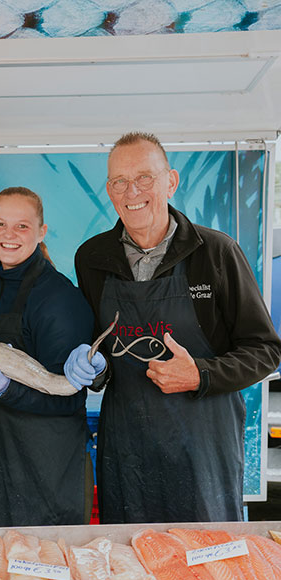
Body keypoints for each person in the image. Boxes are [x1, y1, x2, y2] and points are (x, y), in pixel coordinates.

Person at [65, 131, 281, 524]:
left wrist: (201, 373)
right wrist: (94, 369)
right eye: (119, 181)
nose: (132, 190)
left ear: (171, 181)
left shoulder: (216, 252)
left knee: (206, 565)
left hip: (204, 446)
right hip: (127, 445)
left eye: (145, 177)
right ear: (110, 191)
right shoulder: (91, 258)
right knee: (134, 560)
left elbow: (265, 350)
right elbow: (98, 344)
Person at [0, 186, 99, 527]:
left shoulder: (58, 299)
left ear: (42, 231)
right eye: (0, 224)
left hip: (46, 472)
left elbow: (68, 398)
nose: (9, 235)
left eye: (22, 226)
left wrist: (6, 389)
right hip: (0, 458)